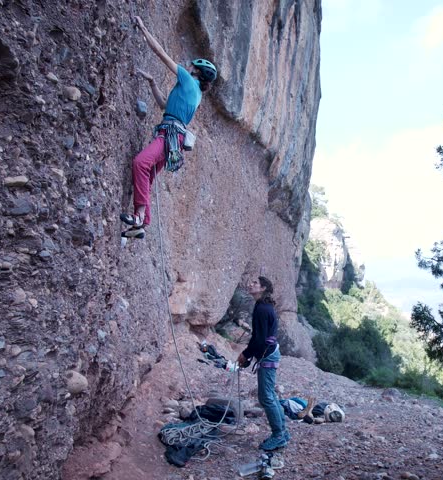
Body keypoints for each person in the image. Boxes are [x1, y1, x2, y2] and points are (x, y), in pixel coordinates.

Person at [120, 16, 218, 239]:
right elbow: (165, 105)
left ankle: (139, 218)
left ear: (195, 71)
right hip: (176, 139)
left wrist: (144, 27)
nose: (188, 65)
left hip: (169, 134)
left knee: (141, 163)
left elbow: (161, 53)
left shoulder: (187, 79)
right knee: (148, 175)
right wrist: (153, 83)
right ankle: (141, 224)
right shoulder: (196, 94)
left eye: (192, 65)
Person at [237, 276, 290, 451]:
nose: (251, 284)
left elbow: (258, 339)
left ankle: (279, 435)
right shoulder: (263, 306)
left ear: (263, 288)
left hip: (267, 355)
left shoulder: (262, 309)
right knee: (270, 396)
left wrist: (245, 355)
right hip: (270, 353)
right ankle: (282, 431)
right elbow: (260, 337)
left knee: (266, 397)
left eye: (255, 283)